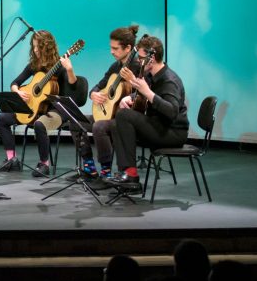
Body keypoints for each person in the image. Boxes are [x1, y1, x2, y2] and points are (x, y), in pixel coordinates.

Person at [107, 35, 189, 192]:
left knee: (124, 116)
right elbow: (144, 94)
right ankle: (127, 173)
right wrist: (129, 97)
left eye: (141, 57)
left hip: (172, 132)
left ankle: (132, 177)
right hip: (158, 126)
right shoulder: (151, 76)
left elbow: (172, 112)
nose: (138, 61)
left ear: (151, 60)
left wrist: (148, 92)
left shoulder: (169, 80)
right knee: (116, 121)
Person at [0, 30, 79, 177]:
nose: (35, 50)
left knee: (40, 124)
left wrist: (70, 69)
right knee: (2, 118)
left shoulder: (59, 66)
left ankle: (44, 164)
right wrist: (18, 92)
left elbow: (73, 86)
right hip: (34, 108)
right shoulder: (33, 66)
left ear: (47, 47)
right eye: (33, 46)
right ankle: (12, 160)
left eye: (38, 47)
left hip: (55, 110)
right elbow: (15, 83)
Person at [81, 24, 142, 179]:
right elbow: (99, 85)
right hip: (108, 113)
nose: (111, 51)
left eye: (115, 48)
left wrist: (132, 92)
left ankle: (106, 171)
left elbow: (143, 94)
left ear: (128, 48)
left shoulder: (138, 66)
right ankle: (89, 166)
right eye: (111, 47)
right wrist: (93, 94)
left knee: (99, 126)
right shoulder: (115, 66)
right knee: (77, 121)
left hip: (125, 119)